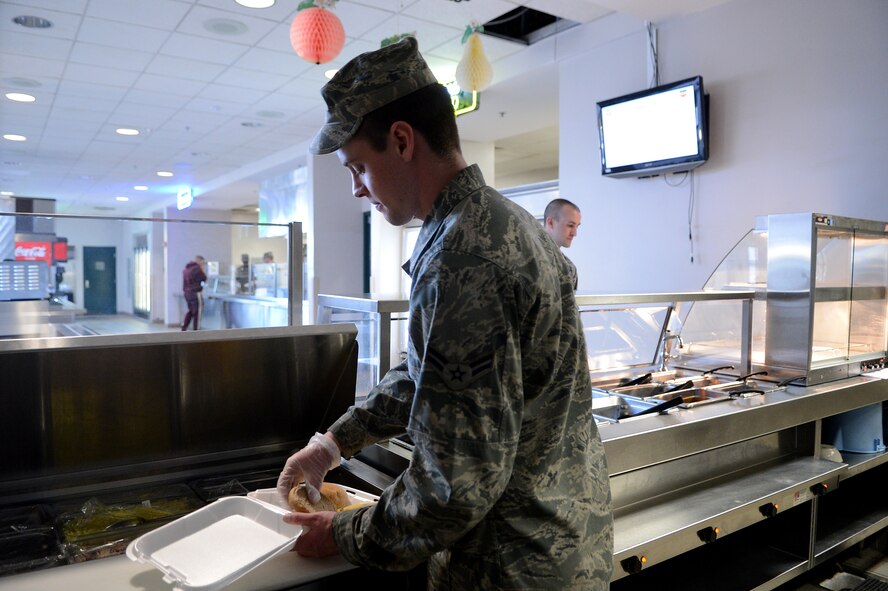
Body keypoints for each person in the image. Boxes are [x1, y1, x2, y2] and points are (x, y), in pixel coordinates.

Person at [276, 37, 613, 590]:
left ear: (403, 140)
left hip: (509, 565)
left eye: (358, 166)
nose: (357, 189)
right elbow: (430, 372)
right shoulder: (508, 222)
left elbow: (453, 486)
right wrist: (332, 444)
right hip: (567, 539)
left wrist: (341, 535)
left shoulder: (463, 259)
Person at [543, 198, 582, 290]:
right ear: (551, 222)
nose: (574, 233)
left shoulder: (569, 268)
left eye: (577, 226)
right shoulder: (528, 257)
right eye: (570, 225)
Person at [181, 255, 206, 331]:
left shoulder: (186, 269)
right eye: (203, 262)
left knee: (191, 311)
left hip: (187, 293)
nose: (203, 264)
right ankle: (196, 330)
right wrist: (202, 269)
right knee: (197, 312)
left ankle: (184, 327)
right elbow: (204, 278)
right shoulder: (197, 269)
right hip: (195, 293)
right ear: (199, 261)